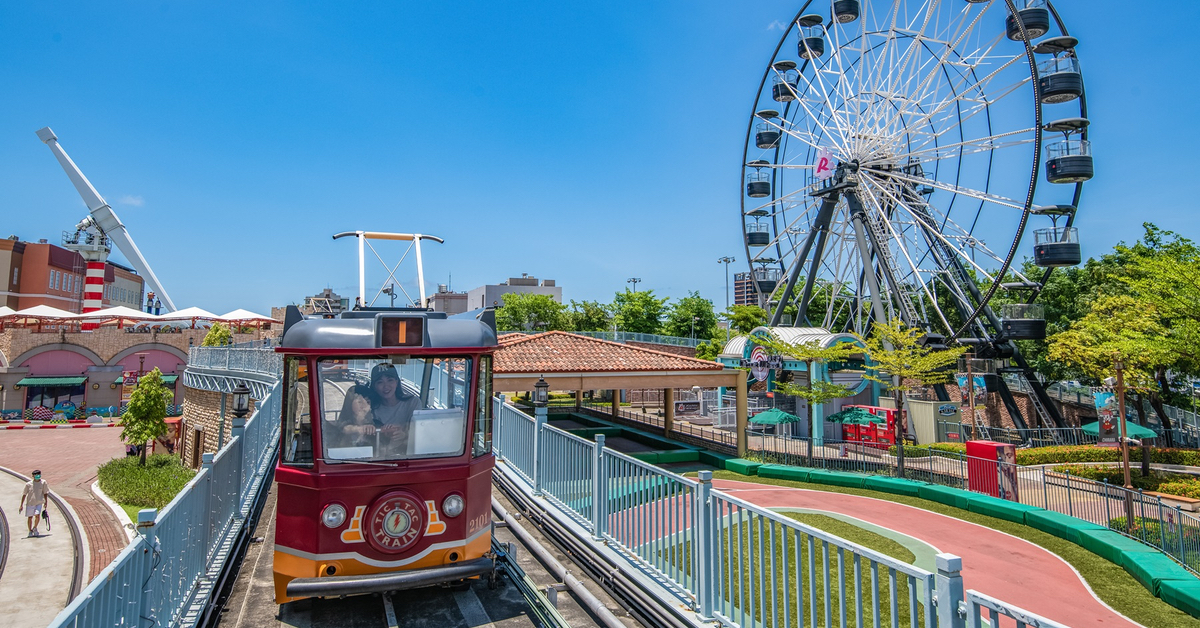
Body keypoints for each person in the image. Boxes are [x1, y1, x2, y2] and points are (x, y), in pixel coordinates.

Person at [370, 363, 421, 455]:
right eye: (380, 382)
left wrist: (405, 435)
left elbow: (420, 431)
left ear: (397, 382)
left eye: (390, 380)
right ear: (374, 387)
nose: (386, 386)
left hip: (409, 457)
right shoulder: (371, 408)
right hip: (381, 457)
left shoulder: (413, 402)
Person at [332, 384, 379, 449]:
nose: (364, 406)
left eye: (368, 402)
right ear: (349, 403)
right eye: (359, 402)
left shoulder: (376, 423)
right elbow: (344, 428)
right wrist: (358, 429)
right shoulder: (342, 424)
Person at [19, 470, 49, 538]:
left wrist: (46, 502)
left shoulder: (43, 482)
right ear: (33, 476)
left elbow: (45, 493)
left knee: (37, 515)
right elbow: (24, 494)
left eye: (39, 474)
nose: (38, 476)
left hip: (39, 502)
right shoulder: (28, 484)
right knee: (30, 517)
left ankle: (35, 527)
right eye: (36, 475)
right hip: (30, 503)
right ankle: (30, 531)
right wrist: (21, 505)